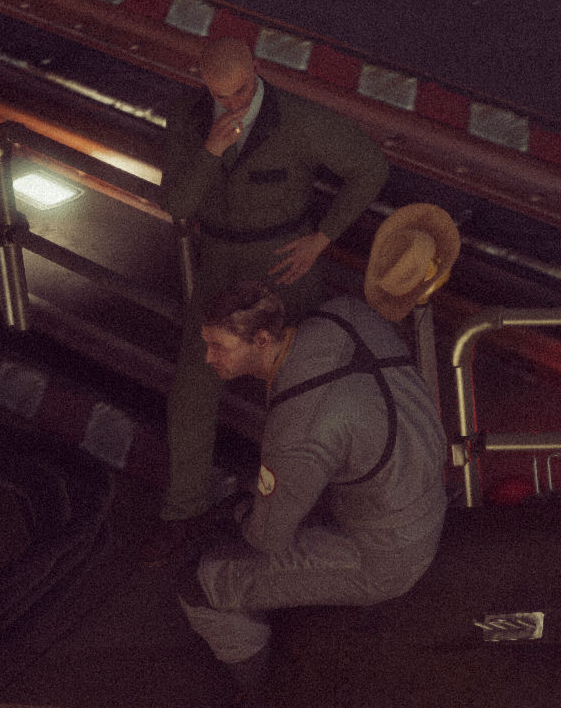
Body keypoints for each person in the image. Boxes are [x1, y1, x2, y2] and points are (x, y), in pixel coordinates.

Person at [144, 34, 389, 567]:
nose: (232, 103)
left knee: (308, 387)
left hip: (285, 264)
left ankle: (320, 507)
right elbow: (177, 203)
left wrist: (323, 238)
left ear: (255, 68)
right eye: (221, 95)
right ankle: (183, 511)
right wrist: (210, 151)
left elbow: (370, 167)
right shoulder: (187, 117)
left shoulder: (299, 119)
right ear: (202, 81)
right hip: (220, 262)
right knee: (193, 387)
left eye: (240, 91)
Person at [173, 273, 448, 699]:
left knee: (201, 585)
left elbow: (267, 538)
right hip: (425, 498)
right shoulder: (346, 313)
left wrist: (240, 514)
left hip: (387, 556)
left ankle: (267, 703)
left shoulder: (297, 432)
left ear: (262, 339)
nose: (208, 358)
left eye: (219, 347)